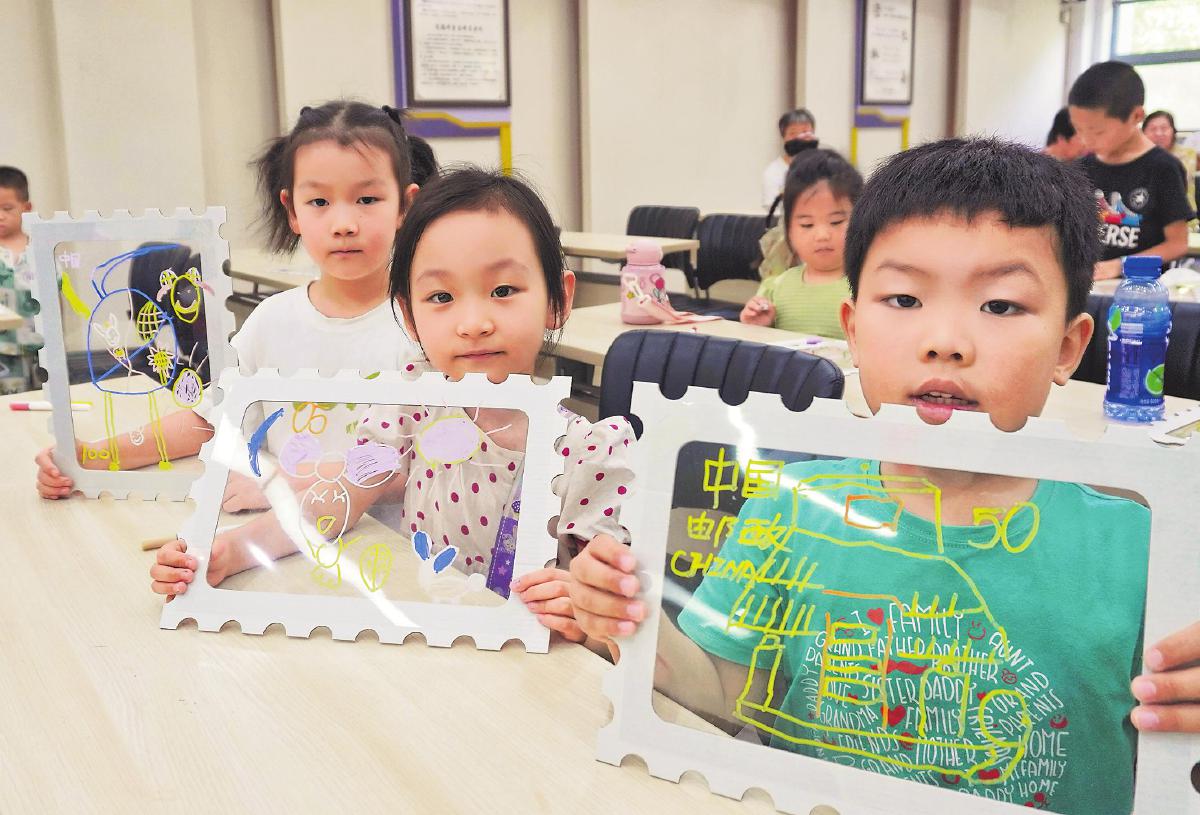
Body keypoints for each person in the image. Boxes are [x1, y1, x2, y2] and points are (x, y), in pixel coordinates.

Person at [570, 138, 1200, 812]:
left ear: (1068, 347)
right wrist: (631, 623)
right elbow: (724, 691)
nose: (945, 342)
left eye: (1000, 305)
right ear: (853, 330)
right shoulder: (789, 509)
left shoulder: (1146, 550)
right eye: (903, 298)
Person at [151, 168, 635, 646]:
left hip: (532, 671)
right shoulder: (412, 406)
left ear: (558, 301)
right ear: (409, 314)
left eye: (503, 291)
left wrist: (588, 614)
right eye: (441, 296)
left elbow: (610, 625)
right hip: (423, 644)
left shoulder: (589, 451)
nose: (473, 323)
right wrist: (231, 550)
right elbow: (337, 500)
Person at [34, 101, 426, 502]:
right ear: (292, 210)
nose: (343, 225)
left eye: (367, 200)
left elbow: (422, 468)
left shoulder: (427, 329)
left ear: (405, 206)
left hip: (377, 540)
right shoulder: (271, 321)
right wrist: (95, 457)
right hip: (280, 535)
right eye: (319, 203)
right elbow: (213, 420)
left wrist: (286, 488)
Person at [1068, 61, 1195, 278]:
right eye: (1079, 129)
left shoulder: (1163, 168)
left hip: (1142, 287)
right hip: (1089, 284)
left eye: (1098, 132)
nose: (1086, 141)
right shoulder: (1083, 167)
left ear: (1136, 116)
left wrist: (1121, 266)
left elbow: (1177, 244)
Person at [740, 149, 862, 337]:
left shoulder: (869, 287)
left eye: (836, 221)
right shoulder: (776, 288)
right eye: (807, 225)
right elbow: (758, 348)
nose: (822, 235)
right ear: (789, 230)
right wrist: (757, 327)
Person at [0, 166, 41, 394]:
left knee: (38, 405)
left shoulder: (39, 249)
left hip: (35, 351)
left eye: (7, 208)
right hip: (2, 354)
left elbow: (54, 300)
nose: (0, 215)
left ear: (26, 208)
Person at [1143, 110, 1197, 217]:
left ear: (1173, 131)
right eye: (1153, 129)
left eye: (1164, 128)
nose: (1159, 133)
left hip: (1184, 217)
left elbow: (1175, 185)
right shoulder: (1135, 156)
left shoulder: (1187, 154)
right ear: (1143, 133)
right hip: (1144, 218)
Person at [762, 108, 818, 209]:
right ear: (784, 138)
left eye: (805, 132)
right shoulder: (773, 172)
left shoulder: (824, 167)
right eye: (793, 133)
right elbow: (773, 210)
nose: (800, 137)